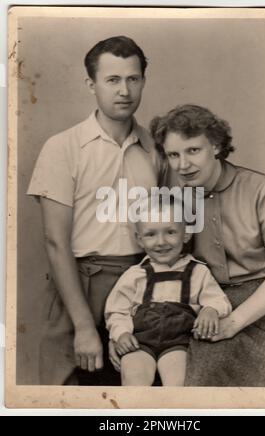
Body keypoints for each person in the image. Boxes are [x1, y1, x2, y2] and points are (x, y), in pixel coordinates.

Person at [27, 36, 163, 385]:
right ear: (91, 84)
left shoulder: (156, 150)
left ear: (143, 81)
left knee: (141, 397)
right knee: (69, 393)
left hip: (144, 286)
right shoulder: (63, 147)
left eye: (133, 79)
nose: (124, 91)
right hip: (81, 287)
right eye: (112, 80)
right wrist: (85, 326)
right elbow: (55, 242)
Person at [146, 104, 265, 386]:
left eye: (193, 150)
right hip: (204, 305)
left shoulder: (261, 188)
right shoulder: (174, 202)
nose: (182, 165)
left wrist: (234, 322)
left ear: (216, 146)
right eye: (173, 155)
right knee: (190, 379)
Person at [105, 196, 232, 385]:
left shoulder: (198, 272)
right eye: (150, 234)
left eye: (170, 232)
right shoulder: (135, 274)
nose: (161, 242)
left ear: (186, 234)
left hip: (178, 344)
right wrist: (121, 333)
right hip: (140, 343)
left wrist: (210, 310)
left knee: (178, 381)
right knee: (134, 376)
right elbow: (117, 310)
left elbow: (219, 300)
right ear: (139, 239)